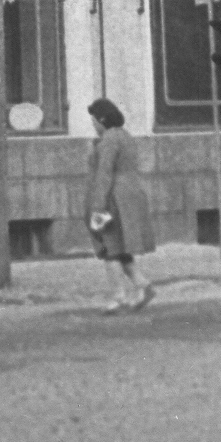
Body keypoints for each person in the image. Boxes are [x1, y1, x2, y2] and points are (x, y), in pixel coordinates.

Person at [85, 97, 156, 313]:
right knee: (121, 247)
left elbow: (104, 174)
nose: (93, 125)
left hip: (113, 198)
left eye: (94, 121)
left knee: (109, 248)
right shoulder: (126, 137)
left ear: (102, 120)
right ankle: (143, 285)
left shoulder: (108, 140)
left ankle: (118, 297)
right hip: (131, 194)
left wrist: (97, 206)